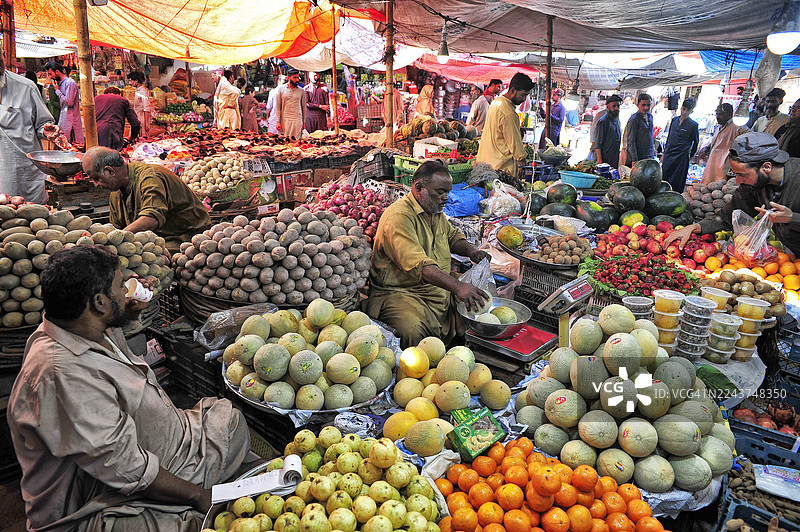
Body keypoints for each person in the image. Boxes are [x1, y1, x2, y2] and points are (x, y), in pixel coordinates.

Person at [8, 245, 255, 532]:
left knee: (232, 422)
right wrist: (199, 497)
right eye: (120, 286)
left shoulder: (83, 326)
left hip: (165, 450)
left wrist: (127, 314)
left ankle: (193, 480)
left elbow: (116, 353)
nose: (127, 291)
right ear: (99, 303)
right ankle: (184, 497)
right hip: (103, 497)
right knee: (201, 524)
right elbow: (126, 468)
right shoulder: (60, 374)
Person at [366, 160, 491, 348]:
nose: (445, 198)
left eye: (448, 192)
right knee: (413, 330)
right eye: (440, 192)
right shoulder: (398, 217)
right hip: (401, 292)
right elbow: (422, 267)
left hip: (437, 290)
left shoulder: (433, 210)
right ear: (419, 187)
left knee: (481, 301)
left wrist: (472, 252)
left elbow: (452, 237)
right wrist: (458, 287)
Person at [665, 132, 800, 255]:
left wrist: (792, 218)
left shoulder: (796, 178)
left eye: (742, 174)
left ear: (766, 167)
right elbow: (728, 214)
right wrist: (694, 227)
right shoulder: (753, 185)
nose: (738, 181)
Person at [81, 147, 210, 253]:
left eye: (96, 178)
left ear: (110, 171)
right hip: (152, 239)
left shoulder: (150, 178)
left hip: (186, 238)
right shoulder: (116, 193)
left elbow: (151, 218)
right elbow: (116, 227)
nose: (96, 184)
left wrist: (113, 240)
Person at [0, 57, 60, 203]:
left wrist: (46, 129)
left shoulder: (25, 87)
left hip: (21, 174)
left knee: (28, 219)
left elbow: (43, 122)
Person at [476, 73, 534, 175]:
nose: (524, 99)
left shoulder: (496, 103)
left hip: (485, 164)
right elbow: (516, 148)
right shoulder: (509, 113)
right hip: (500, 171)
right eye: (523, 95)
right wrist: (526, 168)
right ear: (512, 90)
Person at [699, 103, 749, 184]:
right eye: (717, 114)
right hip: (713, 164)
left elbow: (750, 137)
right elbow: (717, 143)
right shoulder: (718, 127)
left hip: (724, 166)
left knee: (719, 189)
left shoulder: (737, 126)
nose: (717, 117)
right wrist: (707, 147)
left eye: (720, 114)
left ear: (729, 114)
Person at [661, 98, 700, 193]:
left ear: (692, 111)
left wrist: (690, 156)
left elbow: (696, 142)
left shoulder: (693, 125)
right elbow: (669, 137)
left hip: (681, 157)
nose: (685, 112)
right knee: (664, 178)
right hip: (669, 154)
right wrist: (664, 153)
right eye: (684, 109)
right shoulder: (674, 120)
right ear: (681, 108)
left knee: (677, 181)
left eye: (688, 110)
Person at [46, 61, 84, 145]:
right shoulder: (61, 83)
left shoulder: (69, 83)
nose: (50, 77)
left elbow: (69, 102)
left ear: (57, 72)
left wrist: (57, 91)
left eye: (50, 74)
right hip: (65, 120)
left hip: (72, 122)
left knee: (73, 148)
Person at [94, 86, 141, 151]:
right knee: (110, 158)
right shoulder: (122, 100)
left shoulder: (96, 99)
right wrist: (133, 137)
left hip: (93, 133)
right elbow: (135, 123)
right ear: (119, 95)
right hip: (111, 133)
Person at [623, 93, 655, 165]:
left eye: (648, 105)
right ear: (638, 105)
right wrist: (634, 159)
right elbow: (631, 141)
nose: (646, 107)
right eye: (643, 105)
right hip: (639, 158)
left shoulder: (650, 116)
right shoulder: (634, 119)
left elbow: (651, 135)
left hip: (649, 156)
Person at [275, 68, 306, 138]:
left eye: (298, 77)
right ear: (288, 78)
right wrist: (278, 121)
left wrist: (304, 122)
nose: (297, 80)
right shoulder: (281, 89)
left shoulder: (301, 91)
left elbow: (304, 107)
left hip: (297, 120)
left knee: (297, 142)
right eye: (294, 77)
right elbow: (278, 106)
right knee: (286, 142)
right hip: (285, 120)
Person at [593, 94, 623, 168]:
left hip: (614, 158)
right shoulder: (603, 121)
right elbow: (598, 143)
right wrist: (600, 160)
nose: (616, 108)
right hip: (604, 159)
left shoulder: (617, 120)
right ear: (607, 107)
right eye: (614, 106)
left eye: (618, 106)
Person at [128, 71, 152, 137]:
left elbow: (147, 108)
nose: (130, 83)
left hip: (142, 119)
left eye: (131, 81)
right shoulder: (138, 91)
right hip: (137, 118)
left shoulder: (143, 92)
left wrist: (147, 124)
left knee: (142, 139)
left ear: (136, 81)